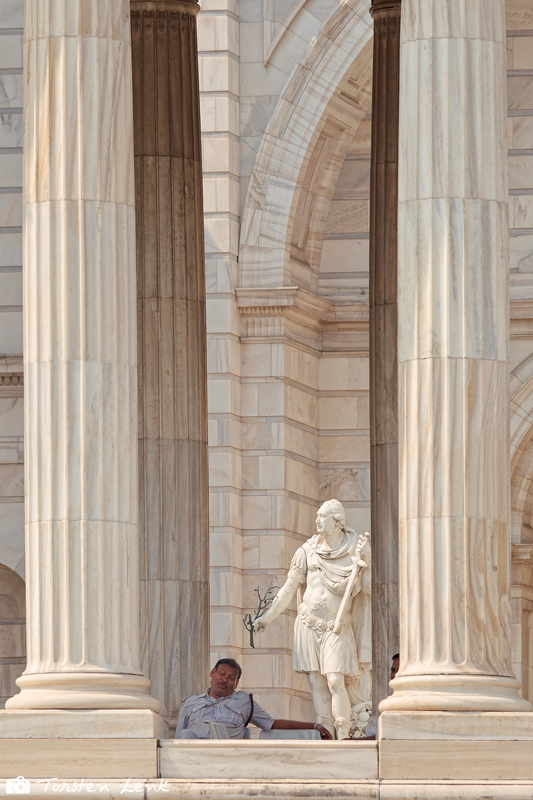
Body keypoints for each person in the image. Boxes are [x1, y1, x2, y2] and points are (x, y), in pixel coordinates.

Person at [254, 499, 371, 740]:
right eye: (317, 516)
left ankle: (344, 735)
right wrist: (268, 617)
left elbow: (367, 589)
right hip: (308, 624)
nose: (317, 520)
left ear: (337, 520)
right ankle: (325, 734)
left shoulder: (353, 551)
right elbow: (289, 587)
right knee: (317, 686)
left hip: (337, 626)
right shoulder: (306, 551)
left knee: (336, 680)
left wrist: (367, 563)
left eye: (322, 516)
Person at [175, 658, 332, 740]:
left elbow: (272, 723)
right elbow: (178, 736)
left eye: (231, 678)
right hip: (192, 754)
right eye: (222, 674)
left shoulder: (243, 701)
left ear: (236, 684)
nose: (224, 680)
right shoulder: (190, 702)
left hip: (224, 756)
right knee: (184, 735)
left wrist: (314, 726)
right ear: (212, 673)